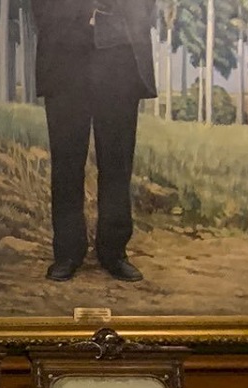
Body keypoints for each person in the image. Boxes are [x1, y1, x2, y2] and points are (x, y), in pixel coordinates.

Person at [36, 0, 157, 283]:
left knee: (117, 162)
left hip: (120, 59)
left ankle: (114, 252)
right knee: (66, 162)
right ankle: (67, 253)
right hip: (65, 59)